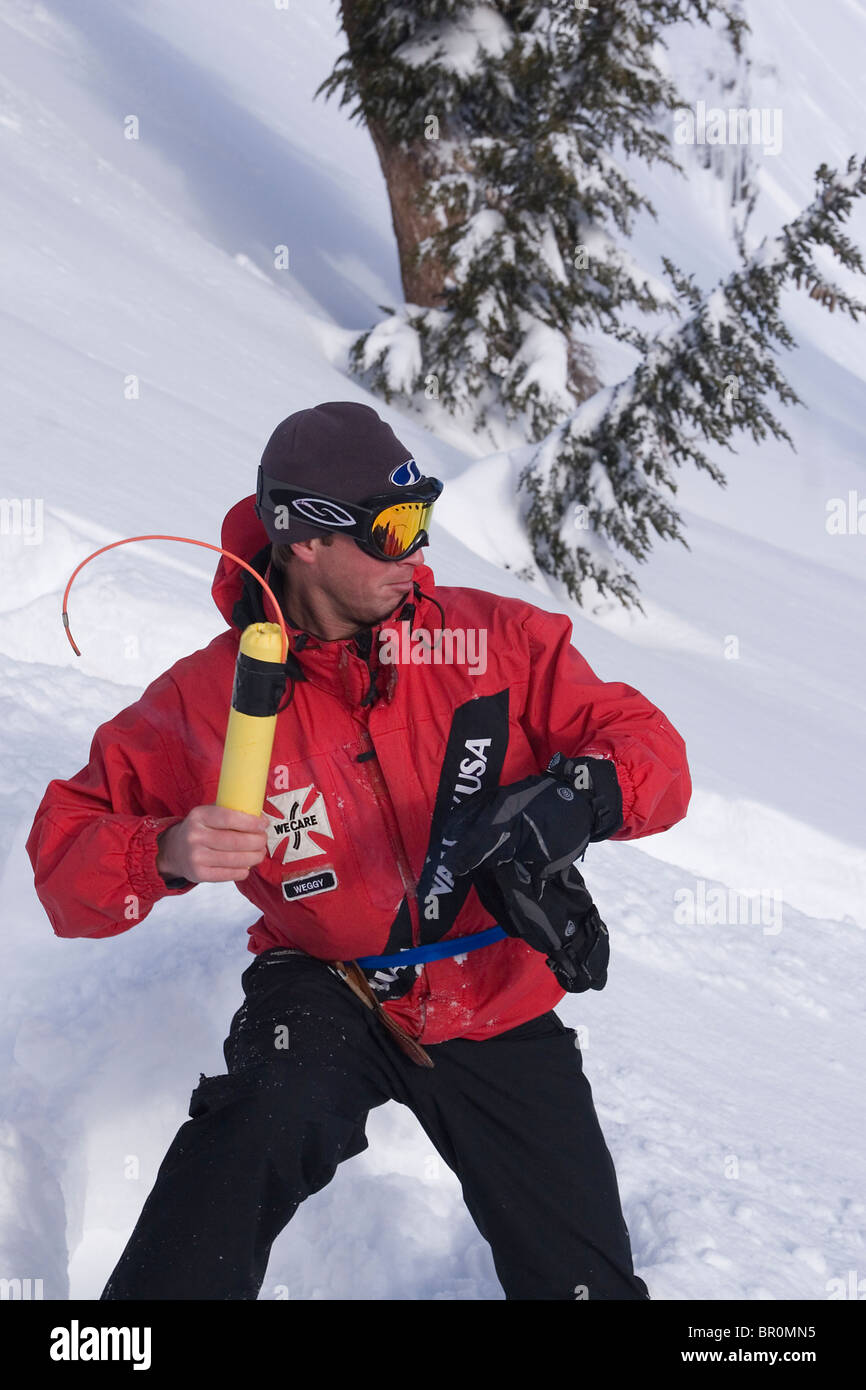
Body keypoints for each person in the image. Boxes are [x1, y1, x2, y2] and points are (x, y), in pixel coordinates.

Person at [25, 400, 691, 1301]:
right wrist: (165, 851)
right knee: (255, 1125)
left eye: (422, 520)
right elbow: (65, 860)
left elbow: (651, 746)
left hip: (490, 990)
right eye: (391, 529)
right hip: (327, 981)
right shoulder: (208, 698)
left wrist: (581, 796)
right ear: (303, 539)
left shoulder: (491, 641)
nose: (416, 553)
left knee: (586, 1284)